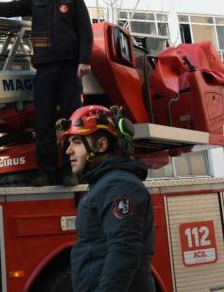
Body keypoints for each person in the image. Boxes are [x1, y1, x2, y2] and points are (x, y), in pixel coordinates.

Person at [0, 0, 93, 186]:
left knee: (72, 120)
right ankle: (47, 171)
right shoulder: (35, 2)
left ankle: (71, 171)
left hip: (69, 68)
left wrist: (84, 60)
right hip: (45, 68)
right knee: (43, 121)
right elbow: (14, 6)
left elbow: (85, 31)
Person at [60, 105, 154, 292]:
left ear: (101, 145)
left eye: (77, 141)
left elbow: (123, 252)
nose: (68, 150)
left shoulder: (118, 186)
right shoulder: (106, 184)